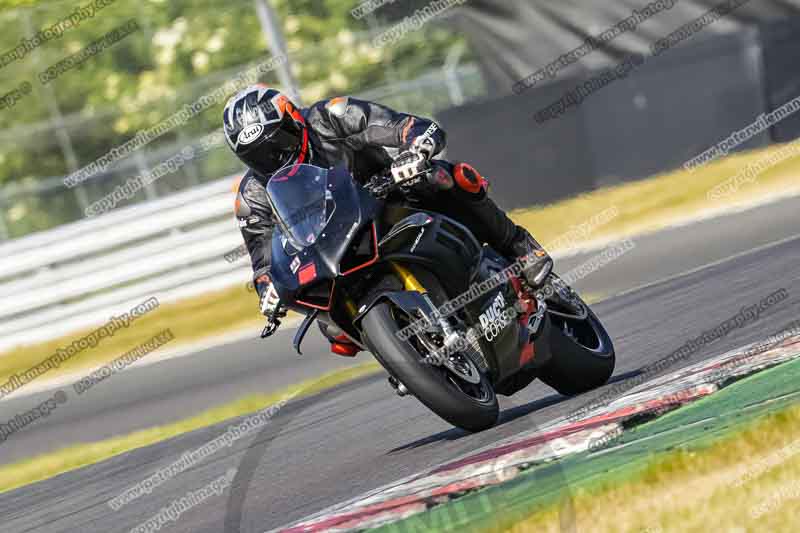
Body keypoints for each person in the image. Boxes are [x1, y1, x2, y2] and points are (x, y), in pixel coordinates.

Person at [222, 85, 552, 351]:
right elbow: (263, 262)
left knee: (446, 177)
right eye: (257, 157)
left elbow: (409, 126)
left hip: (388, 197)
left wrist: (416, 149)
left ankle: (519, 246)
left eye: (278, 143)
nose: (274, 157)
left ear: (295, 121)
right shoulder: (251, 197)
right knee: (332, 330)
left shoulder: (333, 117)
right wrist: (268, 290)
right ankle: (402, 353)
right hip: (329, 249)